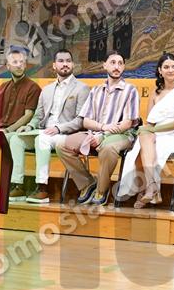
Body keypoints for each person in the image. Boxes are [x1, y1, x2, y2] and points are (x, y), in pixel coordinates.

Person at [56, 52, 141, 206]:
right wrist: (102, 128)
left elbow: (127, 123)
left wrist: (103, 135)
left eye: (120, 63)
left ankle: (102, 189)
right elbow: (86, 121)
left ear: (124, 67)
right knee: (62, 145)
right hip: (95, 132)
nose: (117, 67)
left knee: (108, 148)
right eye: (113, 62)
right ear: (105, 65)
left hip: (122, 135)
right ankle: (87, 183)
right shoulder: (96, 90)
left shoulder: (130, 90)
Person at [8, 50, 90, 205]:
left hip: (66, 134)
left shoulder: (82, 88)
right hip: (45, 131)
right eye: (61, 61)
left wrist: (58, 128)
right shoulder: (47, 89)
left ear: (73, 64)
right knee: (16, 139)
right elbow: (38, 115)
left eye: (68, 61)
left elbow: (80, 121)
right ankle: (18, 185)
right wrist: (29, 126)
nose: (65, 64)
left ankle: (42, 188)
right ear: (54, 65)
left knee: (42, 139)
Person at [116, 53, 174, 208]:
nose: (170, 70)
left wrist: (151, 130)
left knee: (147, 143)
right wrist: (148, 130)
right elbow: (150, 121)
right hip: (155, 132)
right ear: (160, 70)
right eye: (166, 67)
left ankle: (148, 189)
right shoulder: (155, 92)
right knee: (142, 141)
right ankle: (152, 187)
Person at [0, 49, 41, 133]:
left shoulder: (33, 87)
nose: (19, 65)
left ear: (25, 65)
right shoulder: (2, 88)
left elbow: (29, 115)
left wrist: (7, 130)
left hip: (17, 132)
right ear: (8, 66)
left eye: (21, 62)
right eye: (15, 62)